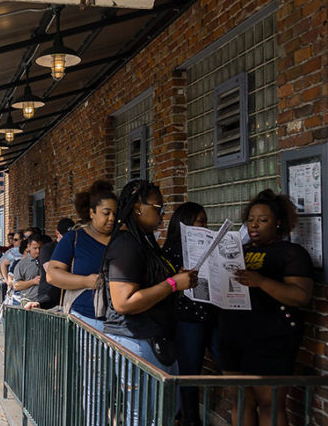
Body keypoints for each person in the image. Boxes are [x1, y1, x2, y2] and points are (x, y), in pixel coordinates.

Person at [217, 190, 313, 426]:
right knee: (240, 400)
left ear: (278, 223)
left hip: (272, 336)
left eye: (263, 220)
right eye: (250, 220)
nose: (254, 225)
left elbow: (301, 296)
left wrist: (261, 281)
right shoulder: (240, 251)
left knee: (270, 403)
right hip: (233, 333)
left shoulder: (291, 253)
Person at [103, 179, 198, 370]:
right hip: (136, 341)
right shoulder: (126, 245)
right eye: (158, 208)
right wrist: (172, 284)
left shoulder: (143, 240)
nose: (162, 214)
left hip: (154, 339)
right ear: (137, 208)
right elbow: (123, 302)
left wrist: (176, 280)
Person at [163, 202, 214, 426]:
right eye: (200, 221)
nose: (205, 225)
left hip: (211, 315)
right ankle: (190, 420)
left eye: (205, 221)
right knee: (189, 372)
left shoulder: (208, 247)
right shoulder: (170, 252)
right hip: (186, 318)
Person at [48, 181, 117, 331]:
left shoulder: (123, 238)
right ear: (92, 212)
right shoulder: (75, 238)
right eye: (106, 213)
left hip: (121, 323)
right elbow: (52, 274)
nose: (112, 218)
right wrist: (86, 281)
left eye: (115, 213)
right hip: (84, 319)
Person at [14, 234, 51, 305]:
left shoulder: (48, 262)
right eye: (35, 248)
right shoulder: (21, 264)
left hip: (45, 302)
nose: (38, 251)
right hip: (28, 302)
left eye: (40, 248)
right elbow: (16, 286)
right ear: (28, 247)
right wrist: (33, 281)